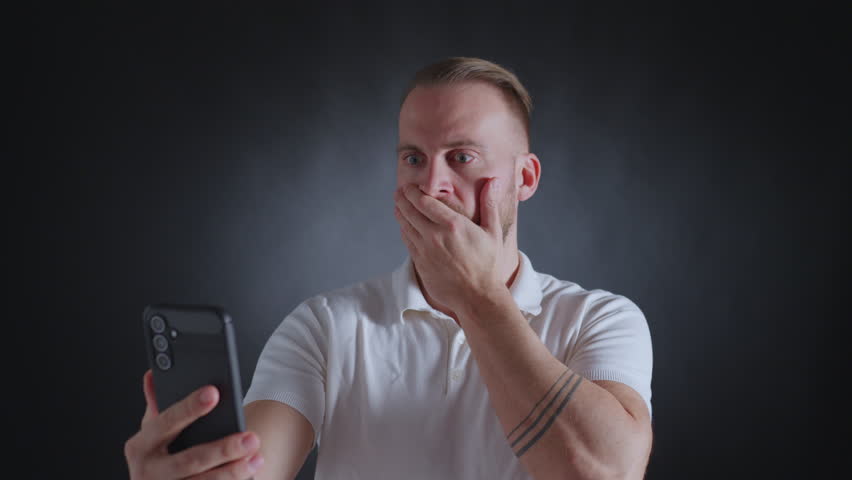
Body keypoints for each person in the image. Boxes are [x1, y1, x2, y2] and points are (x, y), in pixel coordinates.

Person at [125, 56, 654, 480]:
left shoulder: (600, 320)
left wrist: (477, 297)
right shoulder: (326, 326)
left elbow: (601, 471)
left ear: (526, 178)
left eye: (462, 157)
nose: (431, 186)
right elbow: (253, 468)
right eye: (413, 158)